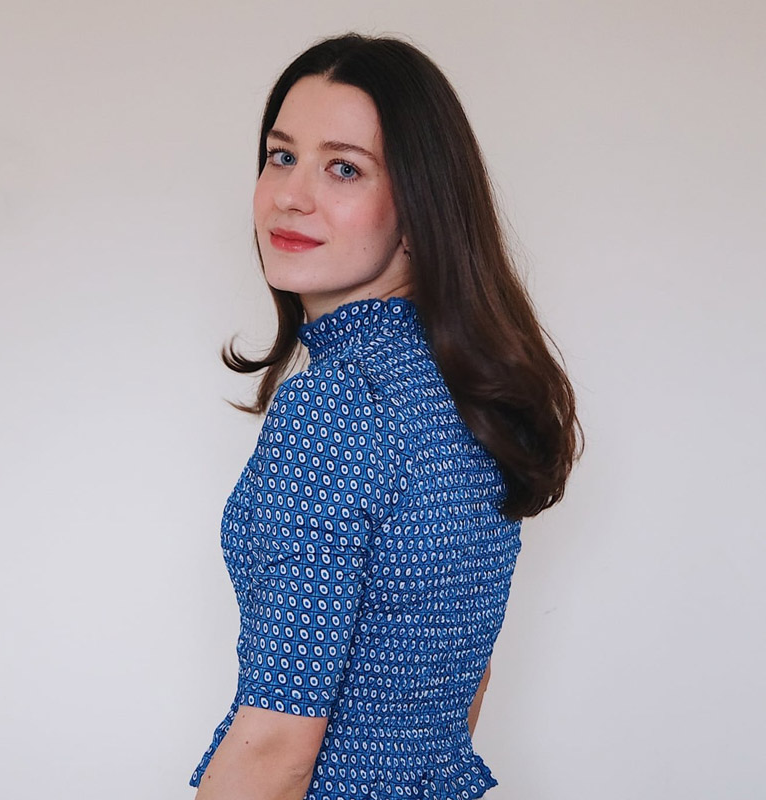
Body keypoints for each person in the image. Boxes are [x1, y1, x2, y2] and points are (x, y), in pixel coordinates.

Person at [189, 33, 582, 800]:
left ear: (419, 204)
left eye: (344, 167)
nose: (290, 195)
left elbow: (277, 747)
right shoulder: (472, 390)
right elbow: (463, 686)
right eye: (280, 156)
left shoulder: (337, 405)